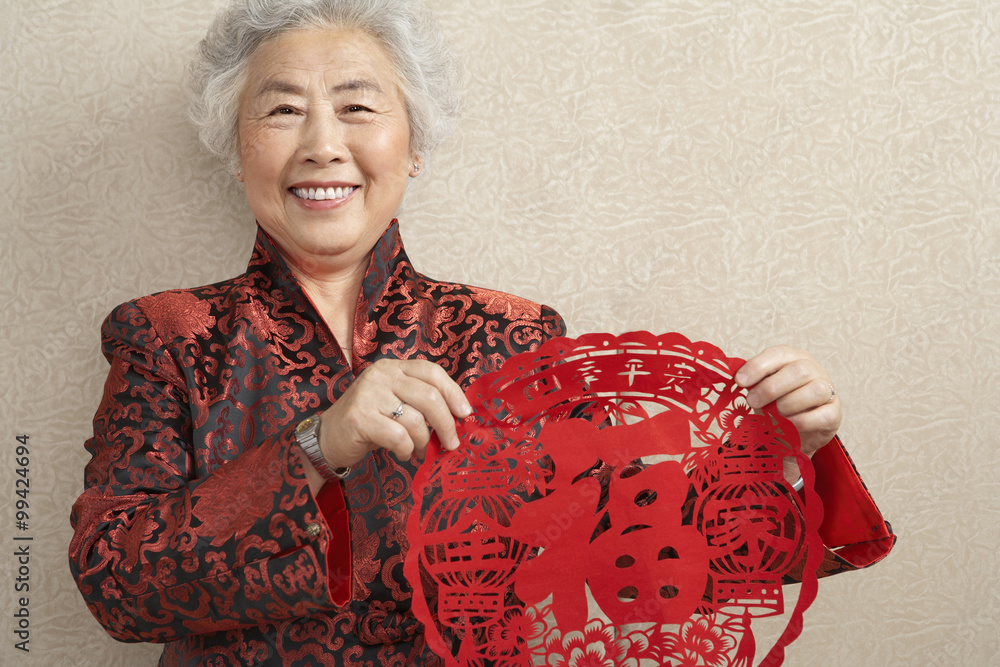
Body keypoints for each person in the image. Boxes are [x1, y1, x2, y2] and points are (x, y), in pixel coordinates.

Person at [68, 0, 893, 664]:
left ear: (413, 143)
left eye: (358, 107)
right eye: (282, 110)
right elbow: (117, 588)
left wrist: (780, 450)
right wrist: (318, 443)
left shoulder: (514, 334)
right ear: (237, 146)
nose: (323, 145)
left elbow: (629, 556)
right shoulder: (164, 335)